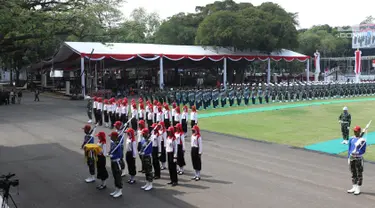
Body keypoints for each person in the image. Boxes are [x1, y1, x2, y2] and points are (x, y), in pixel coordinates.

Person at [347, 125, 367, 195]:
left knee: (359, 173)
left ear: (359, 132)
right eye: (354, 131)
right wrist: (348, 158)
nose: (355, 132)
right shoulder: (351, 139)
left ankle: (358, 188)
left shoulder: (362, 140)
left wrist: (358, 152)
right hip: (352, 158)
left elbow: (363, 150)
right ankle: (354, 187)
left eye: (356, 131)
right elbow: (349, 149)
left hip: (358, 158)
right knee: (353, 172)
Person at [108, 131, 123, 198]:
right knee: (114, 176)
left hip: (117, 162)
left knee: (118, 176)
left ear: (114, 137)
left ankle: (119, 190)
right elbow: (111, 150)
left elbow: (119, 155)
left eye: (111, 136)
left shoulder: (118, 145)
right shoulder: (113, 143)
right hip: (113, 162)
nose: (110, 137)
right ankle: (116, 189)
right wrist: (109, 153)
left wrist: (112, 156)